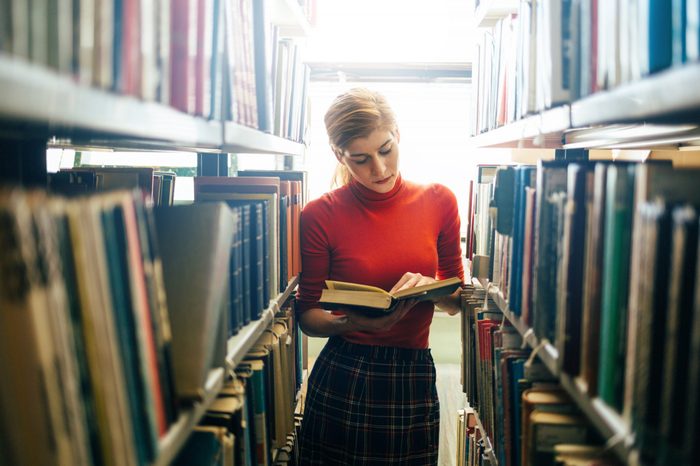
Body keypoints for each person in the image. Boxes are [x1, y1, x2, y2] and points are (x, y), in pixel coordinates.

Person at [296, 88, 464, 465]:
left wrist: (429, 290)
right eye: (361, 159)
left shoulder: (440, 201)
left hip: (413, 373)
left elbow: (456, 301)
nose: (380, 168)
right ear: (340, 156)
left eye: (386, 150)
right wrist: (355, 322)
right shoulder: (319, 214)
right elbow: (307, 315)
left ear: (398, 134)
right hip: (346, 371)